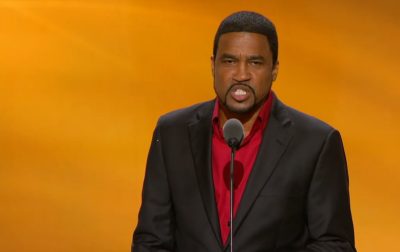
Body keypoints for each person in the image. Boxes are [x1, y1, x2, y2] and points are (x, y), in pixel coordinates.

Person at [132, 11, 356, 252]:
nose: (241, 75)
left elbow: (336, 245)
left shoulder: (316, 143)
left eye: (255, 62)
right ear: (213, 65)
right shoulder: (171, 134)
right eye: (229, 61)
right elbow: (151, 242)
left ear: (274, 70)